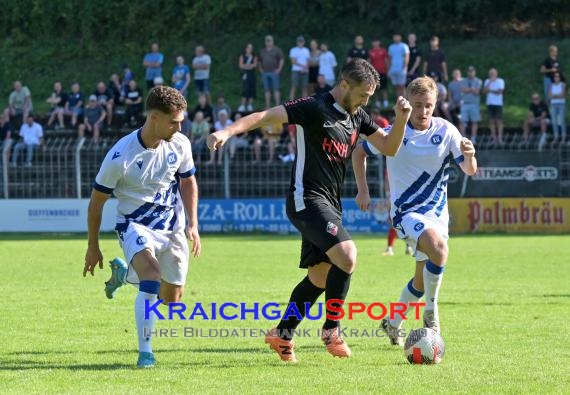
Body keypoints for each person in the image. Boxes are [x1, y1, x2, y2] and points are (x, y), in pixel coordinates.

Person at [207, 59, 411, 362]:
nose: (366, 101)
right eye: (363, 94)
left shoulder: (358, 116)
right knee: (348, 254)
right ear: (344, 85)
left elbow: (390, 147)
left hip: (331, 204)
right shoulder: (314, 107)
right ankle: (332, 330)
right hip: (306, 199)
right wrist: (227, 131)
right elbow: (266, 115)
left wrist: (402, 119)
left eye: (369, 96)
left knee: (320, 275)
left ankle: (282, 334)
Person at [352, 76, 477, 346]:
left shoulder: (446, 131)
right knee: (440, 250)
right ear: (408, 103)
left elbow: (469, 170)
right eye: (417, 105)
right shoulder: (395, 132)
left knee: (421, 280)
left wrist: (470, 155)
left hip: (437, 215)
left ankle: (392, 322)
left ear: (436, 104)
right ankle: (431, 312)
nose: (423, 111)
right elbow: (358, 152)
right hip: (406, 213)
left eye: (428, 105)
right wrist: (363, 189)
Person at [83, 86, 201, 368]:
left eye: (181, 121)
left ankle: (125, 276)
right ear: (154, 118)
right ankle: (145, 352)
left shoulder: (180, 143)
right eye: (174, 121)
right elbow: (96, 203)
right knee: (152, 276)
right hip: (134, 225)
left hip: (172, 227)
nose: (179, 126)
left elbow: (188, 182)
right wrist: (93, 246)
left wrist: (193, 224)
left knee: (172, 300)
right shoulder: (120, 156)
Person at [259, 35, 284, 109]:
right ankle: (267, 107)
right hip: (265, 73)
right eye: (267, 40)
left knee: (276, 89)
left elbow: (282, 60)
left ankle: (277, 106)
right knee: (267, 90)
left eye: (270, 40)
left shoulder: (277, 50)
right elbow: (259, 61)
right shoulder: (262, 50)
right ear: (265, 42)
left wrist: (279, 69)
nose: (268, 42)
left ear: (272, 41)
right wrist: (261, 70)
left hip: (274, 72)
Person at [459, 66, 482, 143]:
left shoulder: (478, 81)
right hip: (465, 103)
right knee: (462, 121)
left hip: (475, 104)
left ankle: (473, 138)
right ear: (467, 72)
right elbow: (462, 89)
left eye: (472, 71)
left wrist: (468, 90)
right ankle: (463, 138)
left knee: (474, 121)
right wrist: (472, 89)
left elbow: (477, 92)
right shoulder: (463, 81)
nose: (470, 73)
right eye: (469, 71)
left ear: (474, 72)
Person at [483, 68, 505, 145]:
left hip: (498, 104)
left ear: (496, 74)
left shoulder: (500, 81)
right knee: (491, 121)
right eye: (491, 73)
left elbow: (500, 92)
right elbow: (484, 91)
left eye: (493, 73)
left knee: (499, 121)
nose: (492, 75)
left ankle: (500, 138)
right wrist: (489, 83)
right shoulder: (487, 81)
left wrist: (490, 90)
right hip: (490, 103)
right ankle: (494, 139)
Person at [387, 33, 410, 100]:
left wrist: (404, 67)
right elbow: (389, 59)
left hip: (401, 69)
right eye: (395, 37)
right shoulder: (391, 47)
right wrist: (389, 69)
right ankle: (399, 101)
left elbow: (407, 56)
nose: (396, 38)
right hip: (393, 69)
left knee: (402, 86)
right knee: (396, 86)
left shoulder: (404, 46)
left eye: (397, 37)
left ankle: (405, 101)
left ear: (400, 37)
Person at [368, 39, 389, 108]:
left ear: (379, 42)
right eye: (374, 41)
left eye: (377, 41)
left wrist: (387, 70)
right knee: (376, 88)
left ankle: (385, 102)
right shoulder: (370, 52)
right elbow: (369, 62)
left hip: (383, 72)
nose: (375, 43)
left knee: (384, 88)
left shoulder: (383, 50)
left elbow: (386, 61)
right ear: (372, 43)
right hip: (374, 73)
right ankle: (378, 102)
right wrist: (370, 72)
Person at [289, 35, 310, 100]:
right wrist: (303, 66)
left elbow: (308, 61)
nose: (300, 42)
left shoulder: (306, 50)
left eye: (301, 41)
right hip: (295, 71)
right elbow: (293, 62)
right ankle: (290, 104)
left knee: (304, 88)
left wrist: (305, 68)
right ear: (297, 42)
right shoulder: (293, 50)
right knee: (293, 87)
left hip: (305, 71)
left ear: (304, 42)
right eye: (299, 41)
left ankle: (304, 104)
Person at [238, 43, 258, 112]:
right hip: (245, 75)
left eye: (251, 48)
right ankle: (242, 105)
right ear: (246, 49)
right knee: (245, 89)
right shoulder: (242, 56)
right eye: (249, 48)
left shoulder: (254, 56)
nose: (250, 49)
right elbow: (241, 65)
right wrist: (249, 66)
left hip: (252, 75)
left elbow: (254, 65)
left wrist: (246, 66)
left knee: (252, 89)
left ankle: (249, 105)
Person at [549, 72, 566, 146]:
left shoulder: (562, 84)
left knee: (562, 121)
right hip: (553, 104)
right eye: (555, 76)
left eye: (558, 76)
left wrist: (554, 95)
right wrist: (557, 95)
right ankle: (556, 137)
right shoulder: (551, 85)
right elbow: (549, 96)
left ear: (560, 77)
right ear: (554, 78)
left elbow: (562, 95)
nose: (556, 78)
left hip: (561, 104)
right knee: (554, 121)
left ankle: (563, 137)